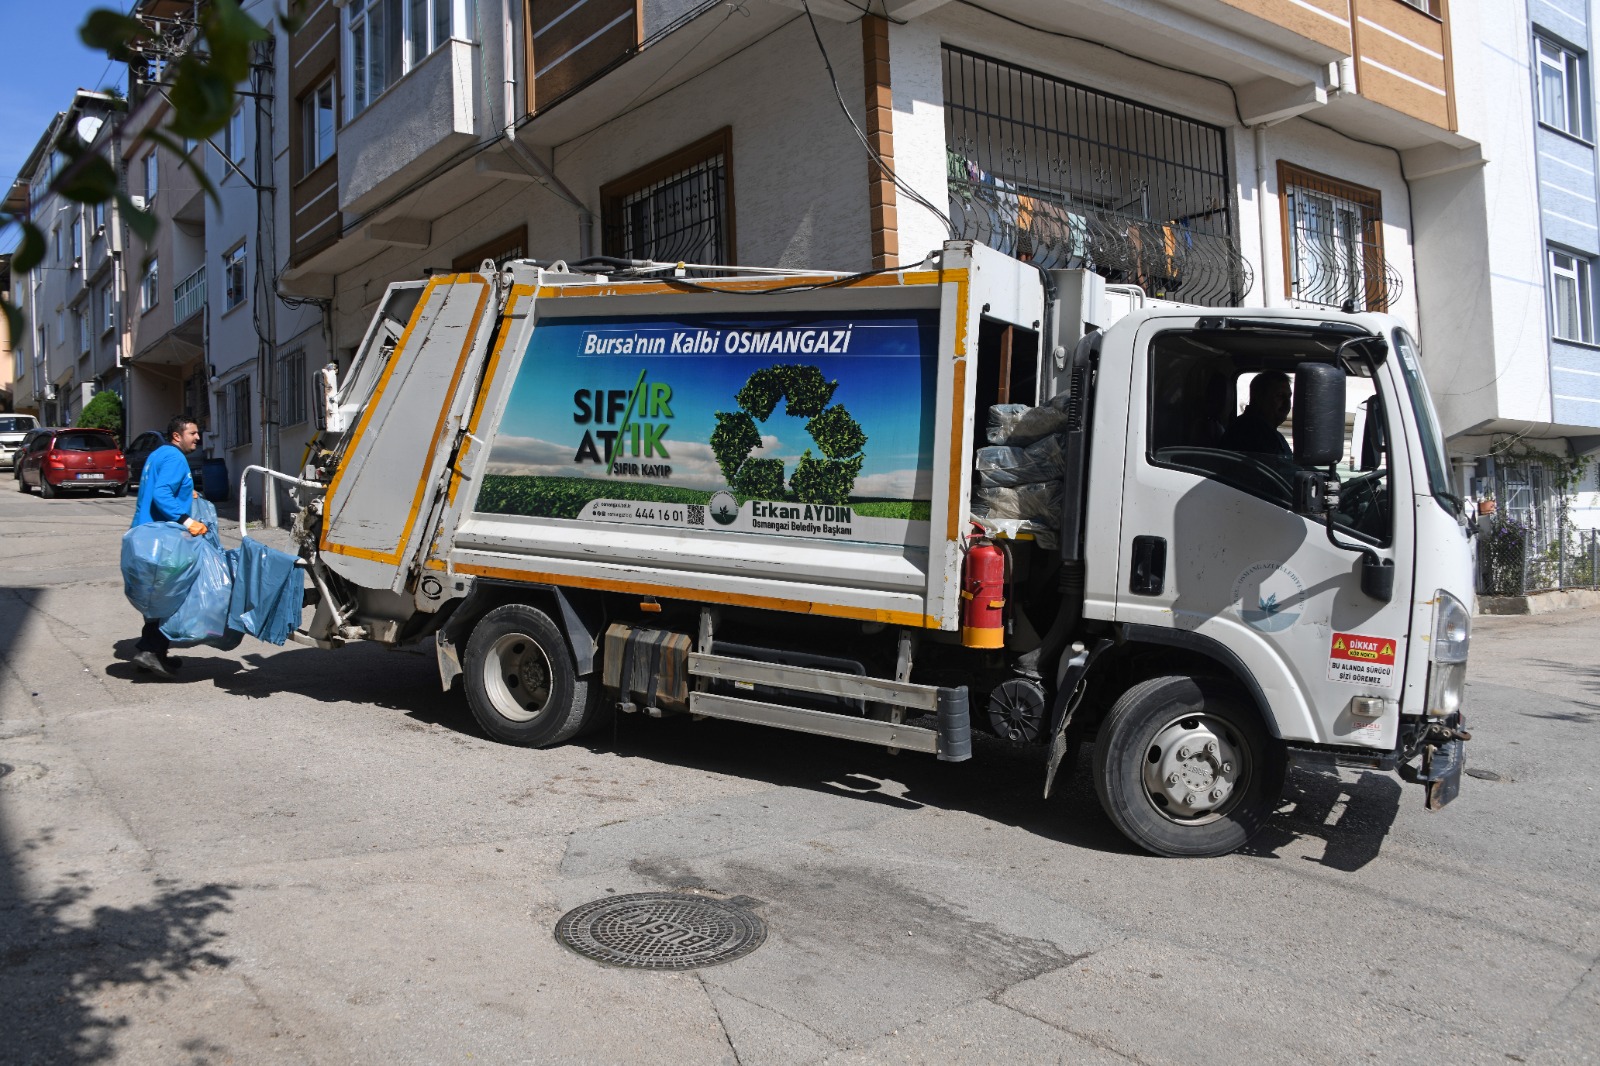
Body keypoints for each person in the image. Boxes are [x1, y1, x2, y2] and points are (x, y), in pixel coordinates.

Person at [129, 416, 208, 678]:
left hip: (146, 534)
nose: (198, 438)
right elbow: (161, 493)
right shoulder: (176, 458)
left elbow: (159, 487)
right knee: (168, 596)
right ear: (177, 436)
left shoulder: (159, 454)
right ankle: (150, 651)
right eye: (193, 433)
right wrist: (187, 520)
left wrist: (187, 494)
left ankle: (155, 654)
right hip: (163, 538)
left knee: (158, 596)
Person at [1220, 370, 1293, 458]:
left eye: (1289, 397)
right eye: (1280, 396)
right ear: (1259, 397)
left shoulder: (1266, 429)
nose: (1287, 404)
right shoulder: (1251, 430)